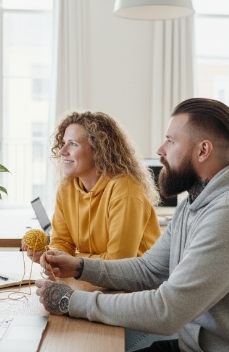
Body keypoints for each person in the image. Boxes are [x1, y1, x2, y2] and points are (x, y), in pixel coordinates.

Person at [35, 98, 229, 352]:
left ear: (203, 150)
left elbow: (167, 311)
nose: (159, 150)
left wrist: (71, 301)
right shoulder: (194, 202)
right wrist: (80, 267)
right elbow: (151, 269)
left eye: (170, 141)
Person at [23, 111, 161, 262]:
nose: (62, 151)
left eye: (73, 144)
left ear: (99, 151)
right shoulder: (67, 188)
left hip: (137, 282)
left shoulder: (125, 189)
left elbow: (118, 263)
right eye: (63, 143)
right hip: (95, 280)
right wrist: (49, 257)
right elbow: (62, 243)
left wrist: (71, 263)